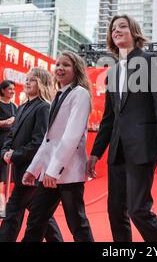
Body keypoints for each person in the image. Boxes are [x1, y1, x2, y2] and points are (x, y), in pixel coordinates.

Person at [87, 14, 157, 242]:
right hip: (117, 150)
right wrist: (96, 153)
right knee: (115, 211)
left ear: (134, 32)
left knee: (138, 210)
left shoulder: (150, 60)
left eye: (122, 26)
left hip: (142, 147)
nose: (116, 31)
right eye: (113, 28)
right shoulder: (112, 72)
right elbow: (109, 119)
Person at [22, 51, 94, 242]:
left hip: (67, 173)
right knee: (36, 220)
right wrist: (33, 169)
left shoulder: (80, 94)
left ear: (76, 69)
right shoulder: (58, 95)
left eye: (66, 65)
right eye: (58, 65)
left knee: (77, 225)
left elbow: (71, 136)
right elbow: (49, 139)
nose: (60, 68)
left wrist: (53, 171)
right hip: (50, 174)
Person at [0, 69, 63, 242]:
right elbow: (11, 136)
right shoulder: (21, 108)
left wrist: (15, 155)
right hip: (21, 169)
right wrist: (5, 152)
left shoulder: (44, 107)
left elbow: (39, 142)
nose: (27, 83)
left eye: (32, 80)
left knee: (12, 211)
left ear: (42, 83)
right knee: (41, 214)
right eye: (27, 80)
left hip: (33, 170)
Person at [0, 80, 17, 217]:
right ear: (3, 90)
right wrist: (5, 122)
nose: (12, 91)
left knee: (6, 175)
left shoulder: (14, 106)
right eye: (9, 89)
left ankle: (4, 204)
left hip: (8, 144)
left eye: (13, 89)